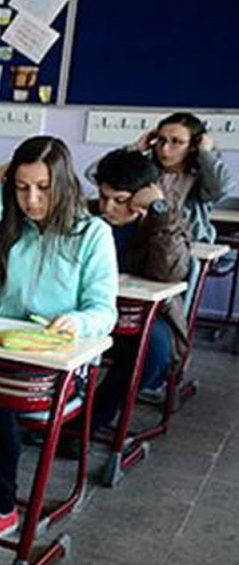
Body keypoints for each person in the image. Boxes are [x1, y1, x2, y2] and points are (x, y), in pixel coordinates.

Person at [0, 136, 117, 539]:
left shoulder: (92, 233)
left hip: (56, 364)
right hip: (0, 348)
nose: (32, 200)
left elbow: (104, 311)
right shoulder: (12, 227)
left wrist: (78, 321)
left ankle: (2, 505)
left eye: (43, 187)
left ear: (64, 183)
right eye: (21, 187)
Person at [89, 148, 191, 429]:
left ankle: (92, 419)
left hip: (146, 315)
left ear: (141, 197)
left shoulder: (166, 222)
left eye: (120, 200)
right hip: (91, 307)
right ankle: (65, 413)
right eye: (104, 197)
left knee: (152, 351)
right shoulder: (88, 216)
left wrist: (159, 212)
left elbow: (169, 273)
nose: (108, 208)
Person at [87, 112, 233, 243]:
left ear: (193, 145)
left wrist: (206, 153)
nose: (164, 149)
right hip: (145, 242)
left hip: (186, 244)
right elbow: (94, 174)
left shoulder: (201, 177)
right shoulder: (145, 170)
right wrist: (135, 148)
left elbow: (222, 188)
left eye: (176, 142)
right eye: (161, 140)